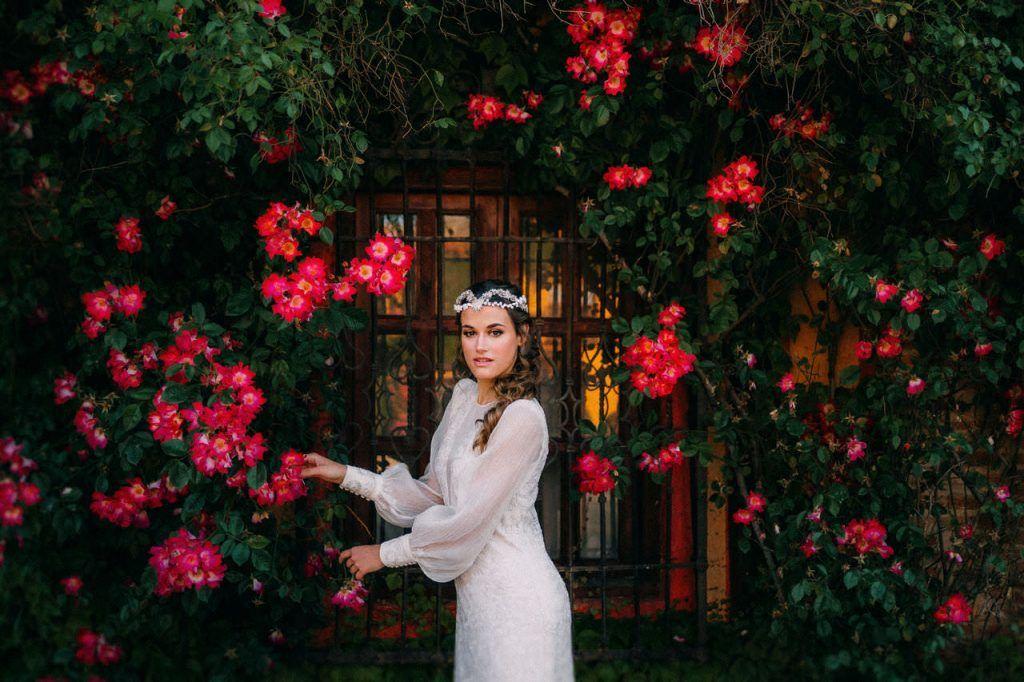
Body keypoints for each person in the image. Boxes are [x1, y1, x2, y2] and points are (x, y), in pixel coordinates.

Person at [301, 279, 574, 681]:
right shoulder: (464, 395)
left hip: (520, 601)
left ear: (522, 336)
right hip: (479, 602)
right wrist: (348, 476)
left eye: (495, 332)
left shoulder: (523, 418)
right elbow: (434, 492)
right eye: (470, 333)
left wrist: (384, 554)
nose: (480, 346)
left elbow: (467, 521)